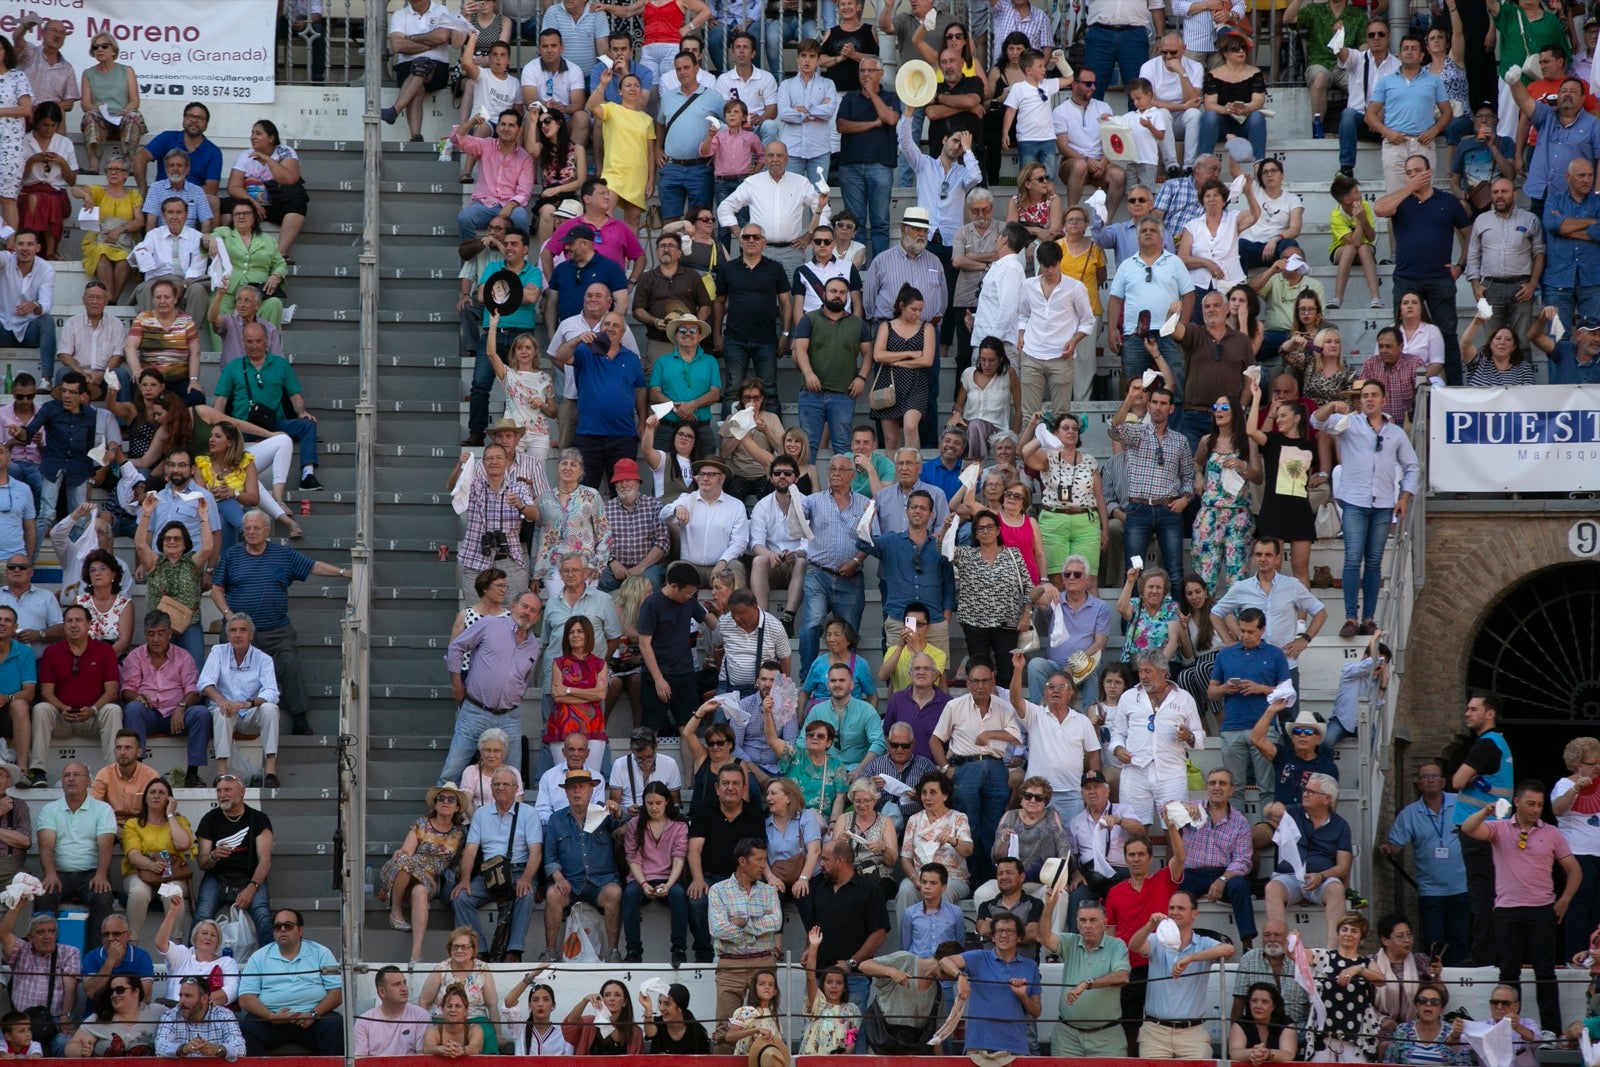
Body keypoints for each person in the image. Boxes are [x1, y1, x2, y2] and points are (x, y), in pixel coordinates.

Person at [1462, 778, 1578, 1032]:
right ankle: (1508, 1029)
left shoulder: (1551, 832)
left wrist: (1565, 900)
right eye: (1530, 803)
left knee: (1545, 973)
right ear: (1516, 802)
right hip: (1507, 910)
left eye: (1539, 804)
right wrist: (1486, 811)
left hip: (1541, 909)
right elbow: (1469, 829)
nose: (1535, 809)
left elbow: (1574, 870)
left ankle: (1551, 1032)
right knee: (1508, 974)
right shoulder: (1501, 828)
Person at [1312, 381, 1420, 637]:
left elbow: (1413, 466)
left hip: (1383, 504)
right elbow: (1316, 422)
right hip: (1355, 502)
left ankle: (1368, 619)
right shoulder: (1349, 422)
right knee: (1352, 559)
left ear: (1384, 398)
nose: (1368, 399)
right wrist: (1331, 406)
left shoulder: (1395, 433)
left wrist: (1404, 496)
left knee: (1373, 563)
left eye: (1374, 395)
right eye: (1364, 396)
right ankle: (1351, 618)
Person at [449, 766, 541, 964]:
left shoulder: (528, 813)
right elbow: (471, 850)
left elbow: (536, 851)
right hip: (489, 874)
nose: (501, 788)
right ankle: (479, 950)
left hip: (518, 870)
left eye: (506, 784)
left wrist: (526, 878)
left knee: (526, 894)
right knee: (461, 897)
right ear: (491, 787)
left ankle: (514, 951)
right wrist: (465, 879)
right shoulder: (481, 814)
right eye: (496, 784)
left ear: (515, 788)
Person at [1130, 889, 1236, 1057]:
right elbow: (1134, 946)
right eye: (1171, 908)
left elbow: (1229, 949)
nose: (1174, 912)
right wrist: (1150, 925)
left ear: (1194, 914)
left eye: (1180, 908)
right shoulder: (1157, 939)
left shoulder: (1202, 943)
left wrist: (1190, 958)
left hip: (1192, 1035)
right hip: (1155, 1033)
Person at [707, 838, 782, 1050]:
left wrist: (742, 923)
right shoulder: (718, 890)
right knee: (724, 1030)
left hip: (762, 965)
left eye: (764, 859)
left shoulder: (769, 891)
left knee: (765, 1025)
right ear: (742, 861)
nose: (763, 865)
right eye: (758, 859)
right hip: (731, 966)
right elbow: (718, 929)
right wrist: (758, 926)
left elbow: (775, 922)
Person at [379, 783, 468, 962]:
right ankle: (396, 909)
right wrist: (401, 853)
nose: (446, 802)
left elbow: (459, 862)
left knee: (420, 892)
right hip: (405, 872)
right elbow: (407, 851)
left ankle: (416, 952)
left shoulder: (460, 832)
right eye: (441, 798)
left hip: (430, 879)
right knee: (404, 860)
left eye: (451, 799)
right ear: (435, 804)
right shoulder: (422, 823)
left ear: (457, 807)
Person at [32, 761, 115, 952]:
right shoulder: (50, 810)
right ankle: (44, 956)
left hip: (92, 873)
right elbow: (46, 845)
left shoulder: (102, 809)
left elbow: (106, 845)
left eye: (77, 774)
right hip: (59, 873)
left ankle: (96, 959)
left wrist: (101, 875)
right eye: (66, 775)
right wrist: (50, 873)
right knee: (44, 895)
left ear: (88, 781)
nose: (71, 778)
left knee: (102, 897)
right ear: (61, 782)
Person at [541, 767, 624, 961]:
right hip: (570, 882)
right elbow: (550, 857)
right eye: (572, 788)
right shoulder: (556, 819)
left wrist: (619, 811)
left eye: (582, 787)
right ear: (566, 792)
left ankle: (613, 951)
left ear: (591, 790)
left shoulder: (603, 813)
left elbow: (626, 829)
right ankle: (550, 952)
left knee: (614, 892)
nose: (577, 791)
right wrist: (558, 877)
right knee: (553, 893)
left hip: (601, 881)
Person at [237, 909, 343, 1055]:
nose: (282, 930)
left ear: (300, 930)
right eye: (277, 926)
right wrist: (271, 1016)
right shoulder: (259, 957)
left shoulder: (321, 953)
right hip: (271, 1021)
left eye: (288, 925)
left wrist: (313, 1014)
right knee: (248, 1027)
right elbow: (245, 998)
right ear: (273, 932)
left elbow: (337, 993)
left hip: (312, 1020)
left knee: (334, 1023)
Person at [197, 613, 281, 785]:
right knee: (222, 712)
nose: (238, 634)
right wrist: (221, 700)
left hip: (250, 712)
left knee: (271, 708)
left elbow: (272, 692)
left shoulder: (263, 659)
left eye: (243, 630)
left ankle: (271, 771)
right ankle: (222, 772)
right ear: (228, 636)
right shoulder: (218, 651)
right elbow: (204, 683)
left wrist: (248, 703)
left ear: (251, 635)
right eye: (233, 631)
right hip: (226, 711)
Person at [940, 913, 1042, 1055]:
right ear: (993, 937)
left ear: (1019, 937)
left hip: (1015, 1047)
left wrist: (1022, 996)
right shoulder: (978, 957)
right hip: (979, 1046)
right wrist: (960, 976)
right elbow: (944, 961)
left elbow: (1036, 1011)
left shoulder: (1030, 966)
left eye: (1010, 931)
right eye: (999, 931)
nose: (1003, 935)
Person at [1178, 768, 1257, 946]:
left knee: (1240, 886)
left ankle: (1247, 945)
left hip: (1223, 873)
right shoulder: (1193, 809)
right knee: (1176, 891)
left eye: (1222, 783)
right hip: (1192, 874)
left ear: (1231, 789)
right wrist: (1182, 808)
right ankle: (1176, 943)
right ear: (1206, 787)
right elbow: (1164, 810)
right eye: (1212, 783)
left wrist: (1222, 879)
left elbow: (1243, 860)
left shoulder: (1240, 822)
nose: (1217, 787)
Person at [194, 773, 274, 945]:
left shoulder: (259, 819)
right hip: (216, 877)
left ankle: (269, 965)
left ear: (242, 792)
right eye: (219, 790)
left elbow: (265, 861)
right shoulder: (210, 819)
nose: (222, 795)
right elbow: (202, 863)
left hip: (250, 877)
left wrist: (252, 888)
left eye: (228, 790)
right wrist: (213, 856)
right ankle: (192, 965)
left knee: (263, 916)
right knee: (202, 915)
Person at [383, 0, 464, 141]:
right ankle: (416, 136)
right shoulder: (400, 14)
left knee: (422, 64)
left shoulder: (441, 10)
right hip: (406, 68)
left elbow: (443, 36)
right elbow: (397, 45)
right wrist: (431, 45)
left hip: (438, 69)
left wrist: (412, 38)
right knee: (418, 83)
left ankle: (395, 109)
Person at [0, 907, 75, 1057]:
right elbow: (2, 934)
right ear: (29, 937)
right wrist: (19, 904)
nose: (47, 936)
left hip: (53, 1023)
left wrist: (66, 1015)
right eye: (40, 932)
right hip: (20, 1024)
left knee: (66, 1043)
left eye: (51, 931)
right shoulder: (22, 949)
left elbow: (70, 987)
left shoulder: (69, 952)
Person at [153, 896, 237, 1008]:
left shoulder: (226, 962)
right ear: (195, 937)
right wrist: (173, 912)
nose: (208, 937)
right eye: (204, 933)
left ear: (218, 942)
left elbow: (230, 990)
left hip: (207, 1010)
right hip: (174, 1009)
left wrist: (199, 1005)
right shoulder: (183, 954)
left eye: (213, 935)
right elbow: (160, 943)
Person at [1231, 920, 1312, 1027]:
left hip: (1298, 1030)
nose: (1272, 939)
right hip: (1259, 1031)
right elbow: (1239, 1001)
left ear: (1288, 938)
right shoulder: (1249, 958)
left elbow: (1313, 1003)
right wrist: (1234, 1033)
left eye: (1278, 935)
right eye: (1267, 935)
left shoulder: (1302, 958)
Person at [62, 977, 160, 1058]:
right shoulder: (99, 1018)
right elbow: (70, 1048)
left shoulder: (157, 1012)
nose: (114, 995)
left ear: (136, 992)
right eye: (112, 991)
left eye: (119, 990)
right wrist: (81, 1051)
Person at [155, 974, 246, 1060]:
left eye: (188, 996)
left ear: (204, 999)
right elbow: (159, 1047)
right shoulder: (171, 1015)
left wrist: (216, 1049)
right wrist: (183, 1049)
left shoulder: (224, 1015)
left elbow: (240, 1048)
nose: (181, 1001)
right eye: (180, 995)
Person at [356, 967, 431, 1058]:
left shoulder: (421, 1016)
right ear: (382, 992)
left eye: (404, 983)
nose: (404, 988)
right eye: (397, 984)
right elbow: (360, 1061)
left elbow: (422, 1058)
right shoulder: (364, 1021)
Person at [81, 914, 153, 1002]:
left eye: (116, 934)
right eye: (106, 934)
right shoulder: (91, 957)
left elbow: (145, 996)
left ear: (128, 935)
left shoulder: (141, 957)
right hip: (99, 1013)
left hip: (131, 1014)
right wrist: (110, 961)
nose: (110, 938)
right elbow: (90, 992)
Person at [562, 977, 642, 1054]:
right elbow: (570, 1025)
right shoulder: (590, 1023)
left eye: (617, 995)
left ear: (625, 1002)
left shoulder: (635, 1031)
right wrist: (585, 1000)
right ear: (601, 999)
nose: (612, 998)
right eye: (607, 995)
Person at [1229, 981, 1299, 1064]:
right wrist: (1253, 1053)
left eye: (1264, 1002)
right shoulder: (1240, 1023)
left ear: (1274, 1006)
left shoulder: (1286, 1023)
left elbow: (1289, 1054)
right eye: (1254, 1001)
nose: (1258, 1006)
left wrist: (1268, 1054)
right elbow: (1234, 1052)